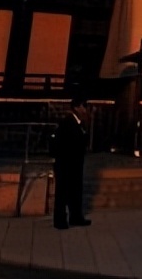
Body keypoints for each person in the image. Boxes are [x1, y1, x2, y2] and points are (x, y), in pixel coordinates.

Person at [52, 98, 92, 229]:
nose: (86, 109)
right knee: (62, 192)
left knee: (75, 191)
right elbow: (66, 143)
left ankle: (75, 217)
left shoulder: (78, 123)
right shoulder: (68, 122)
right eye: (84, 106)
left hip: (74, 164)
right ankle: (60, 220)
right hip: (67, 164)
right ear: (76, 107)